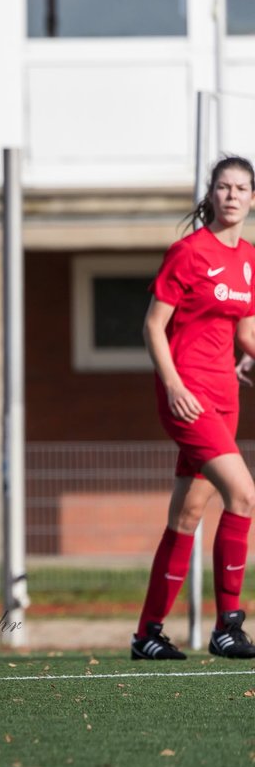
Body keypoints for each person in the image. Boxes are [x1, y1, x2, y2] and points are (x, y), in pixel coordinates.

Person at [133, 155, 255, 660]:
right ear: (211, 194)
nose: (231, 195)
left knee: (186, 514)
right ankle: (229, 624)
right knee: (244, 495)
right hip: (188, 395)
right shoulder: (188, 252)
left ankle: (148, 635)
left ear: (252, 199)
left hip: (227, 396)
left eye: (241, 188)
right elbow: (152, 326)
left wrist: (248, 356)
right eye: (223, 187)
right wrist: (174, 384)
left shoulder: (249, 257)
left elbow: (245, 331)